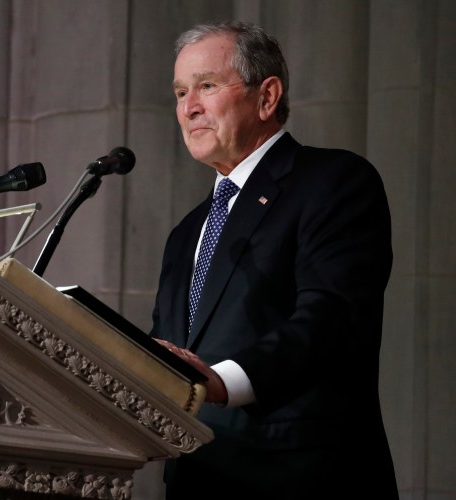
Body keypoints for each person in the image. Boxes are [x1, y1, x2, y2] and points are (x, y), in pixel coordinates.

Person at [150, 20, 399, 499]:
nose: (189, 108)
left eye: (206, 86)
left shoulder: (333, 181)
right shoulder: (187, 232)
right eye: (180, 92)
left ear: (267, 97)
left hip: (301, 478)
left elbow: (333, 316)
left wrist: (221, 381)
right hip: (198, 479)